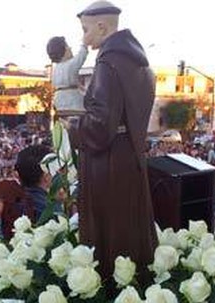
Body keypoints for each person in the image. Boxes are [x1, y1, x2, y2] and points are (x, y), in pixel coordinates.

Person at [67, 0, 157, 284]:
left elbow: (100, 127)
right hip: (129, 158)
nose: (83, 37)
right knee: (131, 232)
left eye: (85, 29)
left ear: (102, 26)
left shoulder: (108, 63)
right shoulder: (139, 62)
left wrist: (72, 126)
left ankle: (109, 295)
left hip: (108, 164)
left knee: (110, 239)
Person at [47, 36, 88, 115]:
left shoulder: (55, 70)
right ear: (64, 50)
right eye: (68, 46)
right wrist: (84, 44)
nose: (70, 48)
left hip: (59, 103)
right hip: (73, 103)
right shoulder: (70, 65)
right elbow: (82, 55)